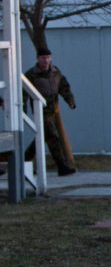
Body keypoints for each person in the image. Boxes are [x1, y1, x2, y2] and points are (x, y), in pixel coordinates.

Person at [24, 48, 77, 176]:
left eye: (48, 57)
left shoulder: (55, 72)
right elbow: (23, 92)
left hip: (52, 110)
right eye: (43, 58)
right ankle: (61, 166)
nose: (46, 60)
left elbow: (64, 87)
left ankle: (24, 160)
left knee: (42, 138)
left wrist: (70, 100)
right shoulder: (31, 74)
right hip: (40, 111)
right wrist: (23, 107)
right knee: (53, 137)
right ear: (37, 59)